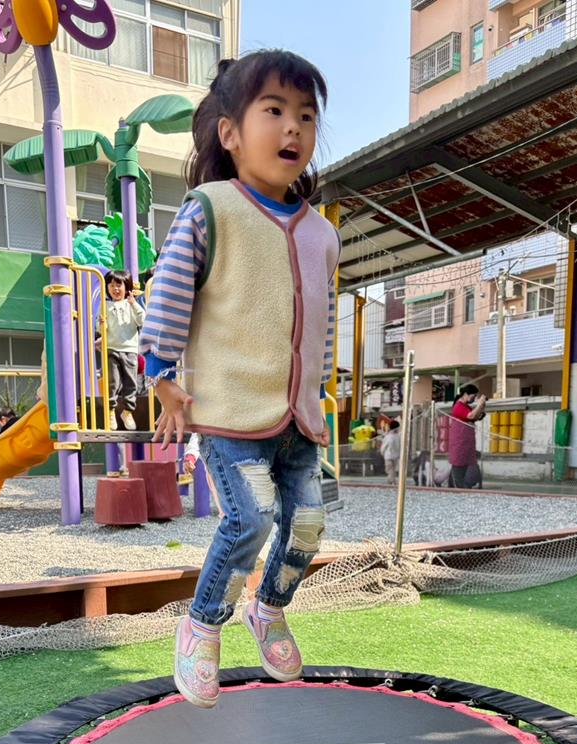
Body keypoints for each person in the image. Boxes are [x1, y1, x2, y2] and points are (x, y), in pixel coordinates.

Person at [139, 50, 339, 709]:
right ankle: (202, 626)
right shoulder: (211, 209)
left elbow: (321, 318)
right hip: (231, 413)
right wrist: (161, 374)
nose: (293, 127)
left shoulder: (321, 233)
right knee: (250, 519)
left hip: (298, 418)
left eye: (306, 115)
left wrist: (320, 387)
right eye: (274, 111)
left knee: (308, 523)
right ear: (230, 132)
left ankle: (269, 608)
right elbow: (170, 292)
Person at [99, 269, 145, 431]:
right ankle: (111, 411)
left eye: (119, 285)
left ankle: (127, 412)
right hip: (112, 348)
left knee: (131, 383)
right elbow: (101, 329)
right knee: (113, 382)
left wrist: (133, 304)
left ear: (126, 287)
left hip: (130, 350)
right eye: (111, 285)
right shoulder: (105, 305)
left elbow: (142, 320)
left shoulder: (131, 304)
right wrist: (102, 325)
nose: (115, 289)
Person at [448, 384, 486, 488]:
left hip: (466, 444)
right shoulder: (458, 406)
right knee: (459, 469)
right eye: (473, 397)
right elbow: (471, 416)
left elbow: (475, 417)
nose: (473, 399)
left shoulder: (465, 406)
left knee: (464, 468)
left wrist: (481, 406)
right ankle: (457, 489)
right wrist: (479, 404)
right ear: (465, 394)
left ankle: (457, 487)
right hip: (460, 444)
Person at [380, 418, 401, 485]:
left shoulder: (388, 436)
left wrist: (382, 452)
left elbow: (384, 446)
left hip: (388, 456)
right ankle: (391, 481)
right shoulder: (398, 437)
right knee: (393, 469)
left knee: (390, 470)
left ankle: (392, 481)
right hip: (396, 456)